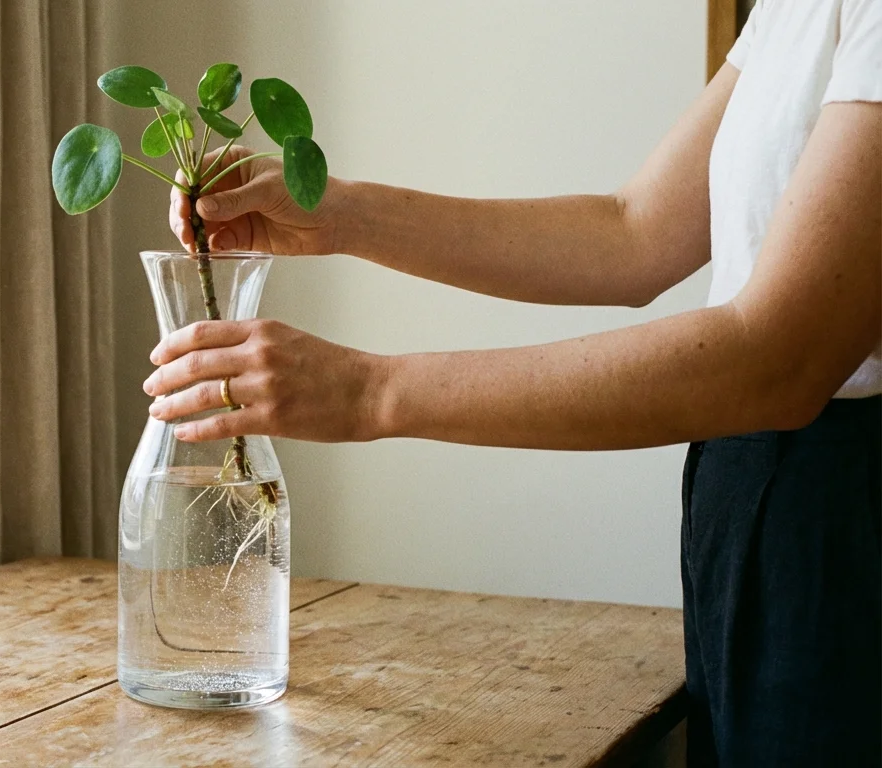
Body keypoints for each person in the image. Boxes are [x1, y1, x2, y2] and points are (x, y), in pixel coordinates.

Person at [149, 2, 880, 765]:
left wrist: (367, 392)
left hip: (842, 511)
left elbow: (780, 360)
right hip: (750, 496)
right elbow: (635, 232)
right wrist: (337, 214)